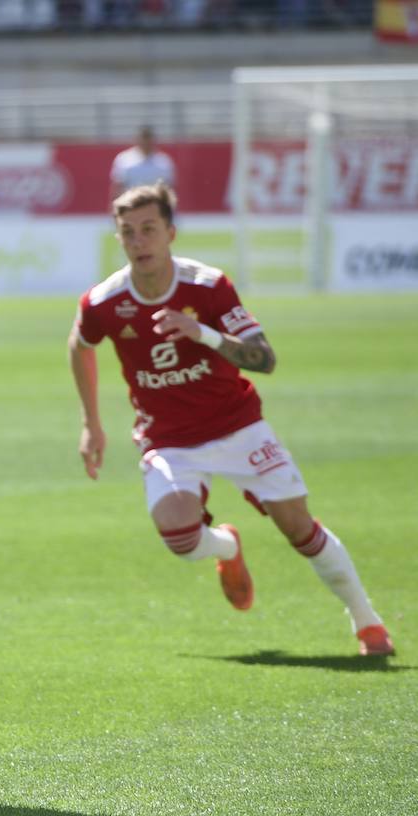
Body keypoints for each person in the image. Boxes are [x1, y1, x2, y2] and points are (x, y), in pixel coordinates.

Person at [68, 182, 394, 658]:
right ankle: (227, 548)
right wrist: (91, 423)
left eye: (148, 229)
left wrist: (201, 332)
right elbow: (80, 344)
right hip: (170, 439)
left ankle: (368, 623)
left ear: (171, 233)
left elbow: (264, 359)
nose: (139, 242)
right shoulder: (103, 301)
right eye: (128, 233)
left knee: (298, 529)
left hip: (239, 427)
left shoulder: (208, 287)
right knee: (179, 536)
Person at [109, 126, 176, 200]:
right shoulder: (124, 159)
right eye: (144, 138)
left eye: (148, 138)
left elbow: (170, 188)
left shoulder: (164, 162)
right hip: (132, 207)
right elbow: (118, 187)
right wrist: (114, 208)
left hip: (156, 207)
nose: (146, 142)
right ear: (137, 139)